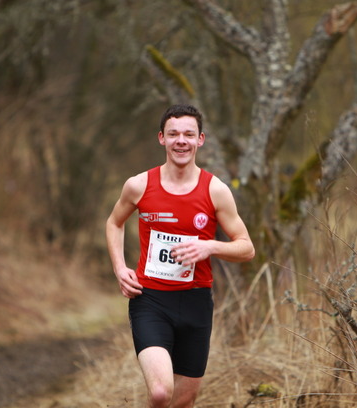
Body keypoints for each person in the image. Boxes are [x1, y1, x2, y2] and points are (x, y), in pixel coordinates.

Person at [105, 104, 254, 407]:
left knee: (184, 402)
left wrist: (210, 246)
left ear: (200, 139)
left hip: (196, 302)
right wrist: (120, 268)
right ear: (162, 138)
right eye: (173, 134)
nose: (181, 141)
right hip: (150, 300)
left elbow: (246, 248)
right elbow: (114, 223)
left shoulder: (216, 190)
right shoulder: (139, 185)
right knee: (161, 393)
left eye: (188, 134)